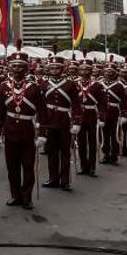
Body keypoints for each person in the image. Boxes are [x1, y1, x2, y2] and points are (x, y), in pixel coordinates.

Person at [0, 45, 43, 210]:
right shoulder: (3, 87)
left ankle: (27, 197)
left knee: (28, 166)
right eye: (14, 66)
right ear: (10, 67)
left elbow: (42, 111)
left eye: (20, 66)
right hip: (10, 132)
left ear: (26, 68)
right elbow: (0, 111)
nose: (17, 69)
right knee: (12, 167)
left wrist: (42, 133)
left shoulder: (34, 87)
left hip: (27, 132)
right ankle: (15, 195)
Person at [40, 52, 81, 191]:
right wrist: (40, 122)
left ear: (62, 69)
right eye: (52, 68)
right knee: (51, 151)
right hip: (50, 121)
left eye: (57, 68)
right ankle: (53, 178)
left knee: (65, 152)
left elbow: (76, 104)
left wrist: (76, 122)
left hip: (64, 121)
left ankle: (65, 180)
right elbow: (40, 104)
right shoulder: (44, 84)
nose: (54, 71)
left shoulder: (70, 84)